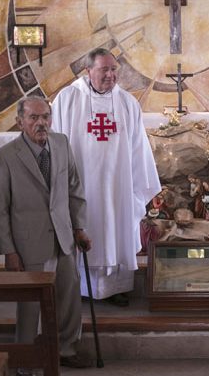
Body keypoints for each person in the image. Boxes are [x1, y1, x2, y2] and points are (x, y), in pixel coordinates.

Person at [51, 48, 161, 307]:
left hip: (118, 186)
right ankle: (80, 288)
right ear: (88, 71)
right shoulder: (67, 99)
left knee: (117, 229)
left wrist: (141, 186)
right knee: (85, 226)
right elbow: (55, 144)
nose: (111, 75)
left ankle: (117, 288)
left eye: (114, 70)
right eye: (104, 70)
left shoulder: (127, 102)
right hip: (82, 185)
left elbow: (138, 147)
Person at [0, 97, 93, 371]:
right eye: (34, 117)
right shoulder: (7, 156)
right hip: (29, 243)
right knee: (30, 307)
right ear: (20, 121)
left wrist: (79, 228)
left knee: (69, 296)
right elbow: (0, 210)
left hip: (64, 239)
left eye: (45, 117)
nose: (41, 123)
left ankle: (67, 349)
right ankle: (24, 360)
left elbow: (74, 189)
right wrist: (9, 251)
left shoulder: (61, 144)